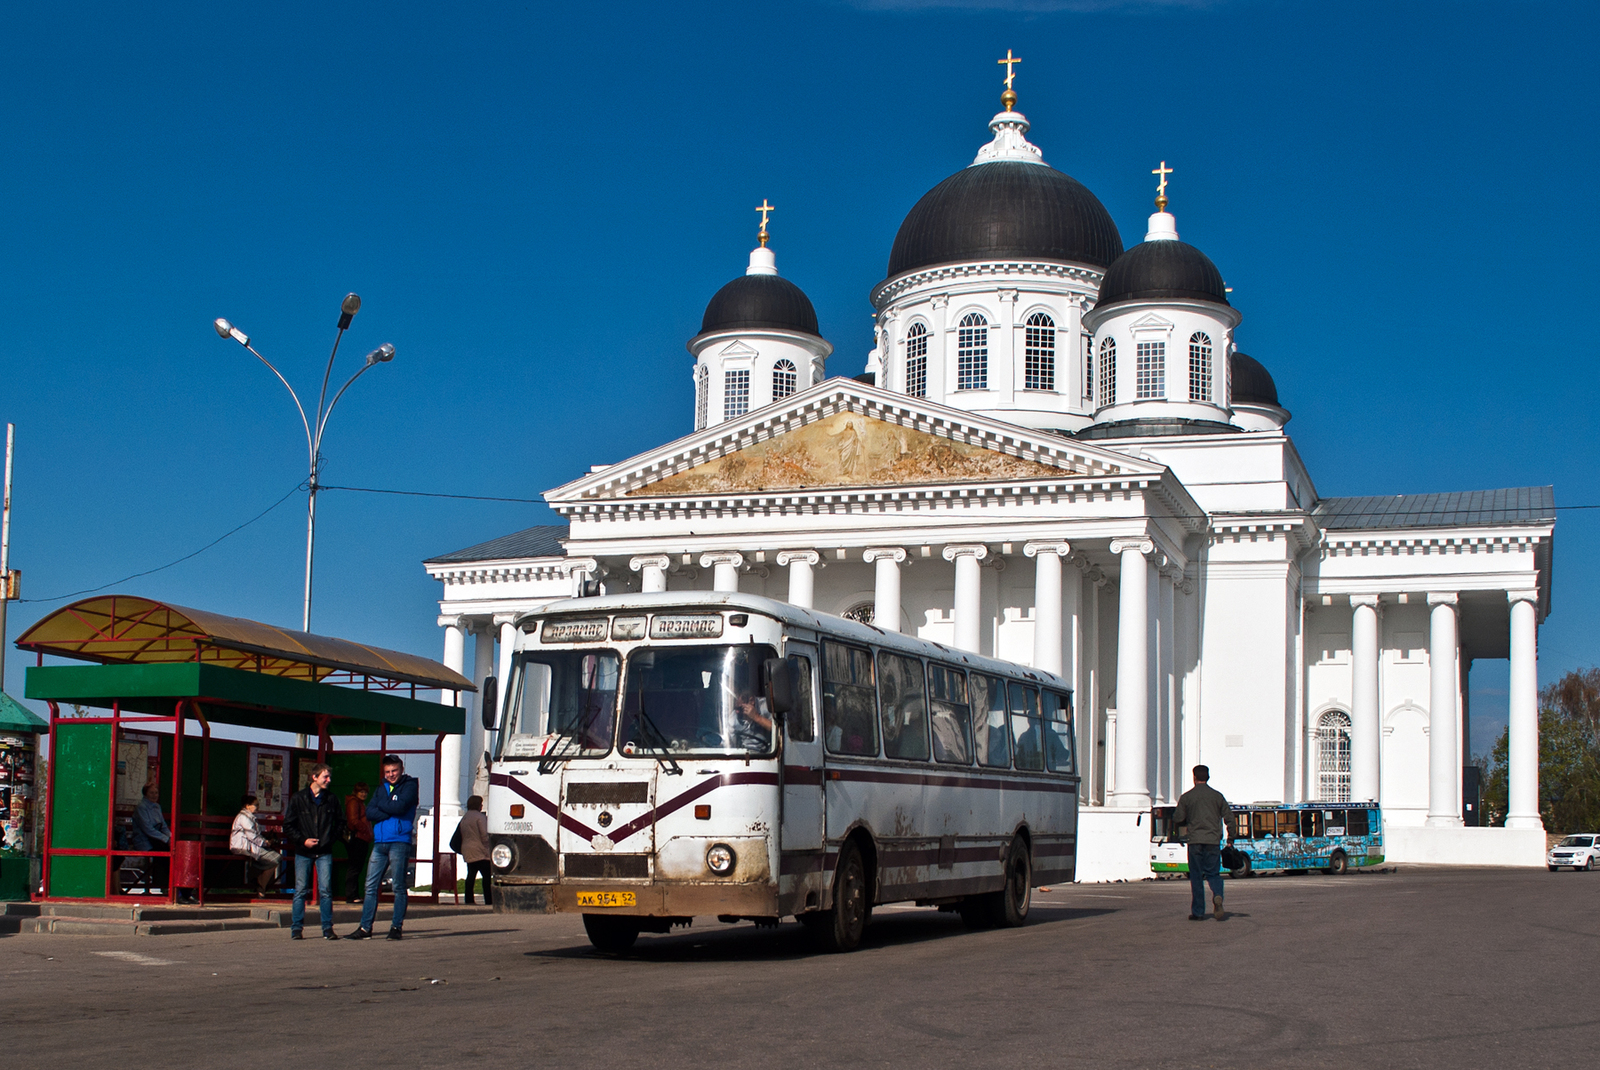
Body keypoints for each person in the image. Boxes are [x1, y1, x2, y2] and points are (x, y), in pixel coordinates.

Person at [349, 754, 418, 941]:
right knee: (370, 885)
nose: (391, 774)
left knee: (398, 886)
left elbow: (401, 808)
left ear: (401, 769)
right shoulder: (381, 788)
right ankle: (365, 928)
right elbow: (369, 812)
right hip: (379, 842)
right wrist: (389, 806)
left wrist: (384, 807)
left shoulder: (410, 786)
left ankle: (396, 927)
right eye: (387, 771)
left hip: (399, 841)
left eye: (394, 770)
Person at [284, 764, 344, 940]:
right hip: (303, 851)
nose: (328, 780)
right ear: (314, 777)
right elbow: (288, 824)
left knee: (325, 890)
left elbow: (340, 822)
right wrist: (303, 840)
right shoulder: (299, 798)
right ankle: (296, 928)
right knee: (300, 890)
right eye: (325, 777)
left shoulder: (331, 799)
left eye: (329, 777)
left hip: (324, 850)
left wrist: (330, 839)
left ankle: (327, 928)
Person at [1173, 764, 1232, 921]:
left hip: (1195, 841)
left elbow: (1178, 818)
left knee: (1197, 877)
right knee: (1213, 874)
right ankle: (1218, 895)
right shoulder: (1217, 796)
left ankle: (1198, 912)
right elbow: (1230, 818)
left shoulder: (1187, 797)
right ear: (1208, 777)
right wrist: (1231, 838)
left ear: (1194, 777)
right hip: (1213, 841)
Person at [230, 794, 282, 895]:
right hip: (243, 847)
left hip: (250, 847)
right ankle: (261, 886)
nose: (257, 807)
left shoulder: (249, 817)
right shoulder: (244, 818)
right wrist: (265, 843)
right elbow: (252, 836)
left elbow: (254, 836)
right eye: (255, 805)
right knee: (275, 858)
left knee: (275, 858)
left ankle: (260, 884)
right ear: (247, 806)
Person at [130, 782, 173, 895]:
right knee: (164, 853)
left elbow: (163, 825)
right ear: (145, 794)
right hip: (145, 840)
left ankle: (166, 884)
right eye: (151, 793)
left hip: (157, 839)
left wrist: (170, 837)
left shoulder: (157, 807)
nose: (154, 795)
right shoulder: (141, 808)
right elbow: (147, 829)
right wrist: (166, 839)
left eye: (156, 793)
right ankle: (161, 883)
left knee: (172, 850)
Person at [458, 795, 493, 906]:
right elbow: (484, 835)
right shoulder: (480, 817)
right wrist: (489, 846)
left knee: (471, 875)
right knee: (486, 877)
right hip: (480, 850)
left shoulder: (465, 817)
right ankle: (489, 899)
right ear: (478, 805)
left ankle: (468, 899)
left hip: (467, 849)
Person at [343, 782, 373, 903]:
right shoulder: (354, 802)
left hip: (361, 838)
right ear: (356, 792)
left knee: (356, 867)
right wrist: (365, 830)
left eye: (365, 792)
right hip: (358, 839)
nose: (363, 794)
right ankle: (351, 895)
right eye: (361, 792)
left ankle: (353, 894)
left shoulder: (358, 803)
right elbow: (353, 821)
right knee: (354, 867)